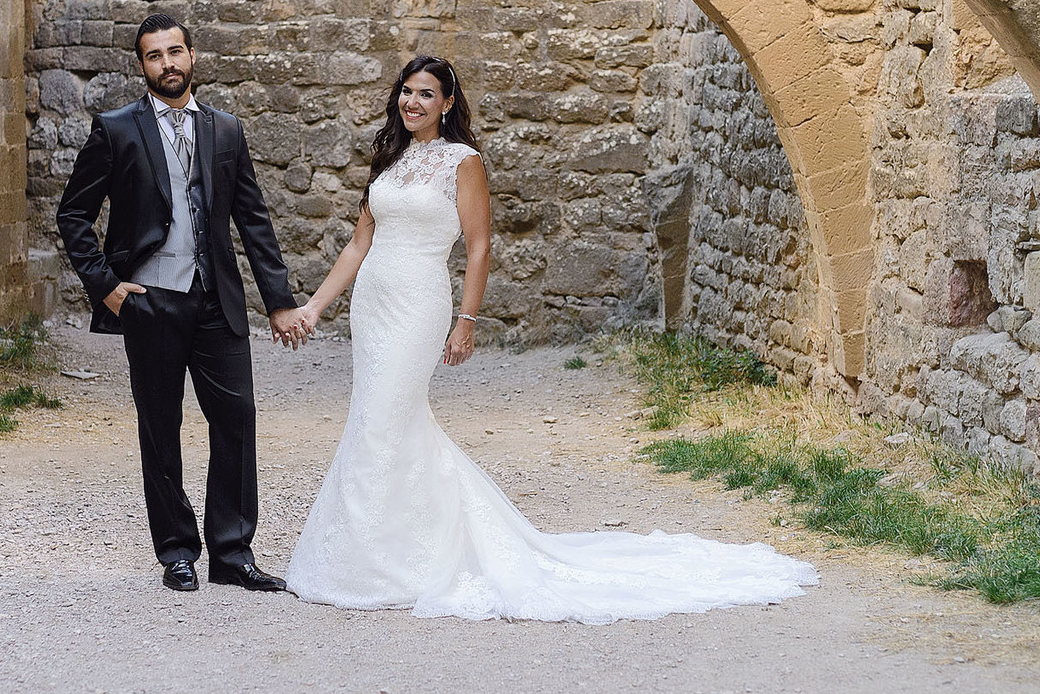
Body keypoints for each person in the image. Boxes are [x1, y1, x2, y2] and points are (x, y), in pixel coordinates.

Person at [276, 55, 819, 623]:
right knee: (373, 418)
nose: (413, 102)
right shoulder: (388, 159)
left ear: (448, 103)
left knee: (388, 414)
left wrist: (467, 320)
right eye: (407, 92)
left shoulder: (463, 162)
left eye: (427, 94)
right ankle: (375, 555)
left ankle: (407, 560)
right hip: (373, 306)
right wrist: (314, 307)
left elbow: (480, 246)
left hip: (418, 304)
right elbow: (358, 245)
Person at [55, 13, 306, 593]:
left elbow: (253, 220)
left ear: (192, 56)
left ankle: (232, 552)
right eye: (153, 56)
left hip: (216, 299)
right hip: (149, 300)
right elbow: (73, 214)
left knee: (237, 421)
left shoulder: (226, 130)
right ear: (141, 66)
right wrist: (106, 286)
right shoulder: (116, 129)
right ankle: (176, 551)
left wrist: (279, 302)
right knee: (160, 428)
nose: (167, 64)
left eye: (175, 52)